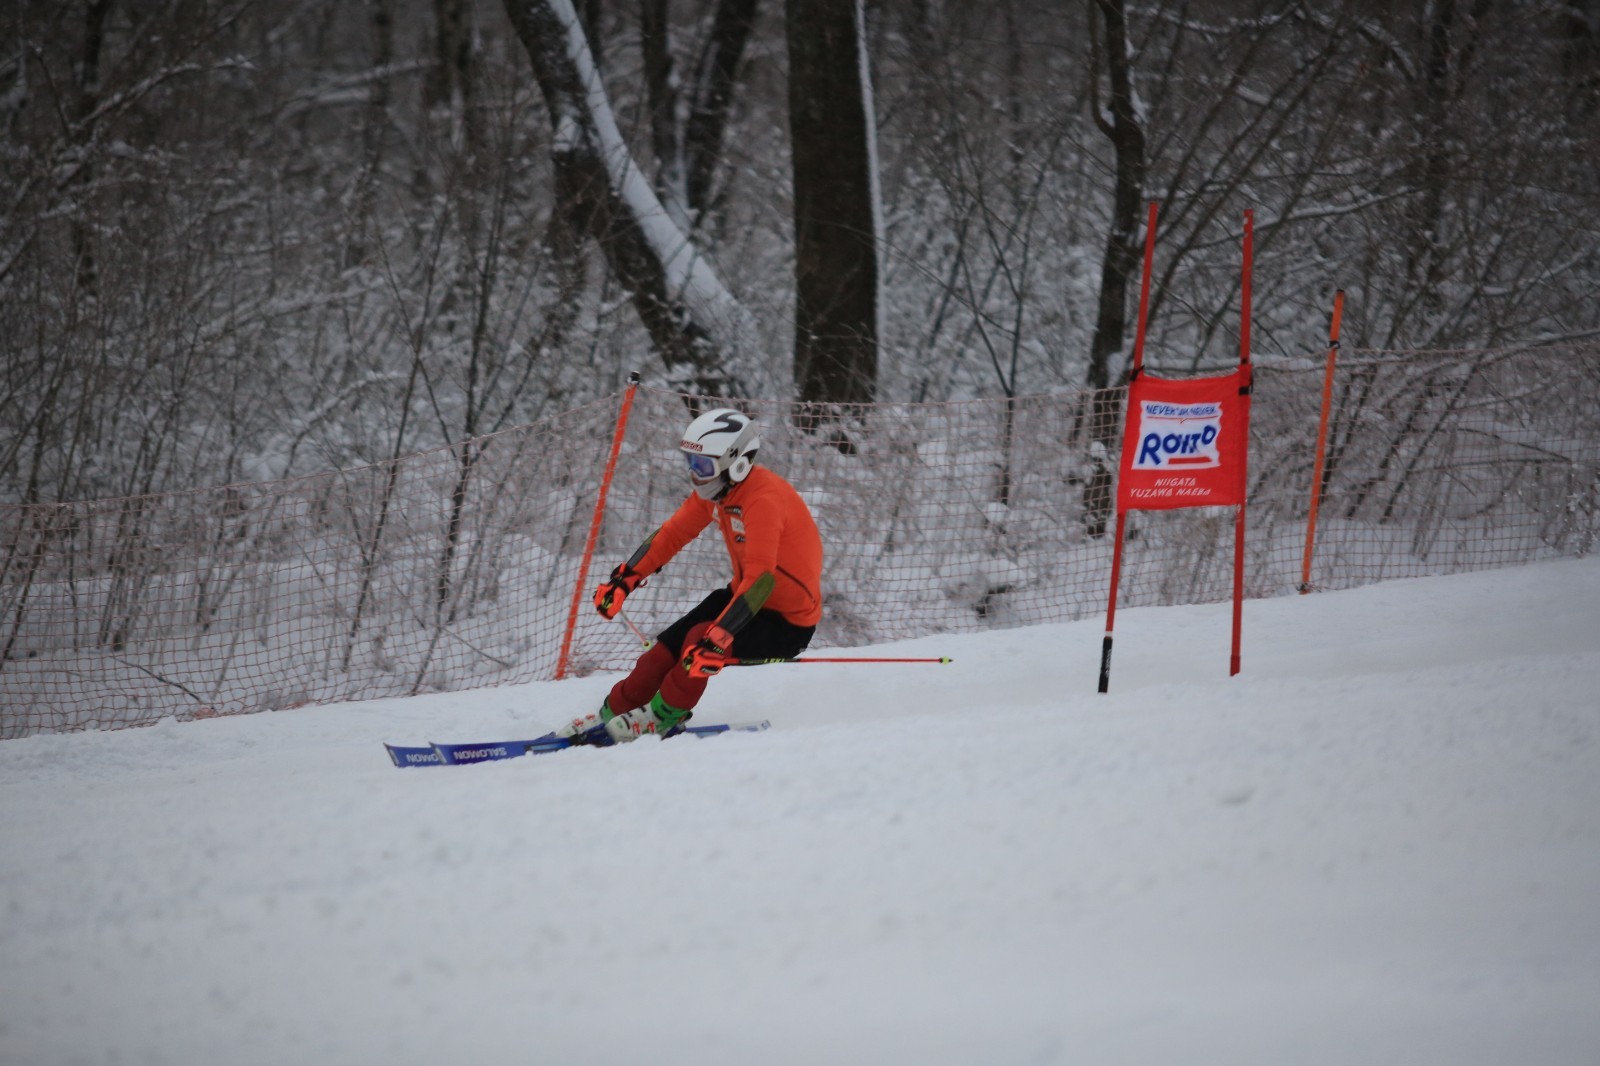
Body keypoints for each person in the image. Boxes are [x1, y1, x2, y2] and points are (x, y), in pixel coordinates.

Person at [557, 407, 824, 744]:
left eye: (703, 466)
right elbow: (671, 535)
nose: (695, 475)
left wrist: (720, 638)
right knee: (660, 654)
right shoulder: (717, 493)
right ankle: (610, 715)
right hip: (743, 598)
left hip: (787, 621)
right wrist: (624, 579)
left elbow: (761, 579)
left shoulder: (763, 500)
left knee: (700, 640)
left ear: (736, 462)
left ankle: (662, 718)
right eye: (691, 463)